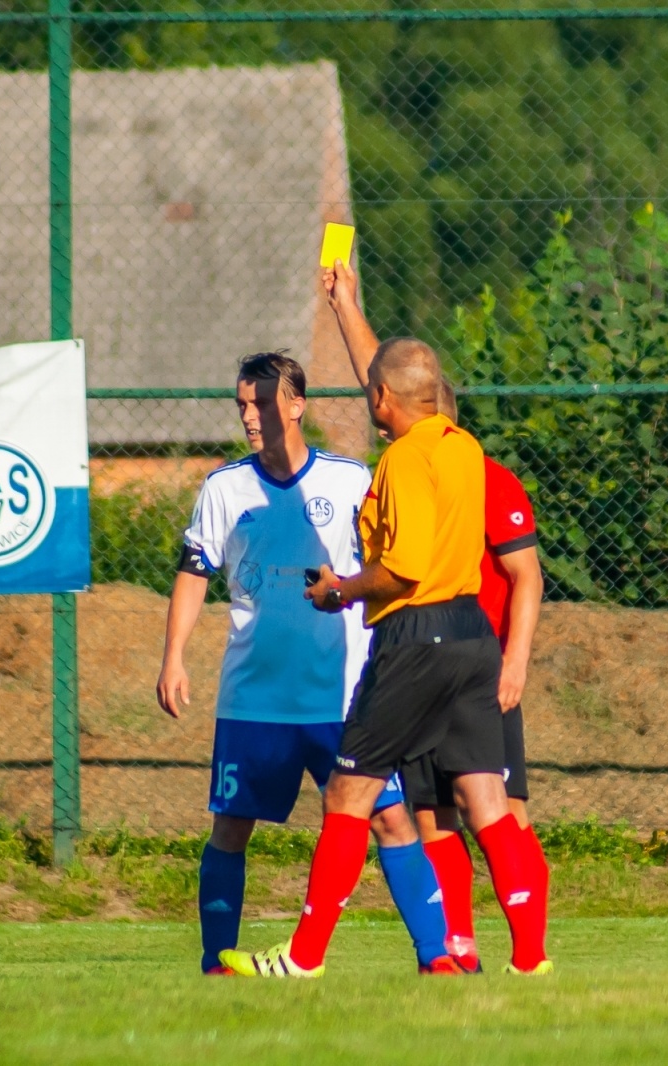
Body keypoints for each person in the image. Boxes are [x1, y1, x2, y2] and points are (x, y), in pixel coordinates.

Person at [219, 337, 551, 978]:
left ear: (380, 397)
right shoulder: (463, 449)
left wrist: (340, 589)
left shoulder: (403, 459)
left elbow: (404, 567)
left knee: (348, 794)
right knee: (487, 800)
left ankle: (303, 959)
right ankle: (531, 960)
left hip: (414, 639)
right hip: (473, 635)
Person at [156, 351, 454, 976]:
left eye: (261, 402)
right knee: (231, 828)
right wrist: (173, 657)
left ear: (296, 405)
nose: (250, 416)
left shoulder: (350, 480)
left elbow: (392, 562)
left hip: (341, 699)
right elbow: (194, 572)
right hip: (255, 700)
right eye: (242, 404)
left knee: (391, 821)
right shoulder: (224, 488)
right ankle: (216, 964)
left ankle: (437, 959)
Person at [322, 256, 550, 973]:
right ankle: (464, 951)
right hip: (437, 651)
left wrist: (516, 663)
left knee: (499, 811)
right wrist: (345, 305)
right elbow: (382, 378)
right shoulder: (432, 448)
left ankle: (526, 950)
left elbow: (526, 576)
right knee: (434, 814)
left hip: (459, 651)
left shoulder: (478, 471)